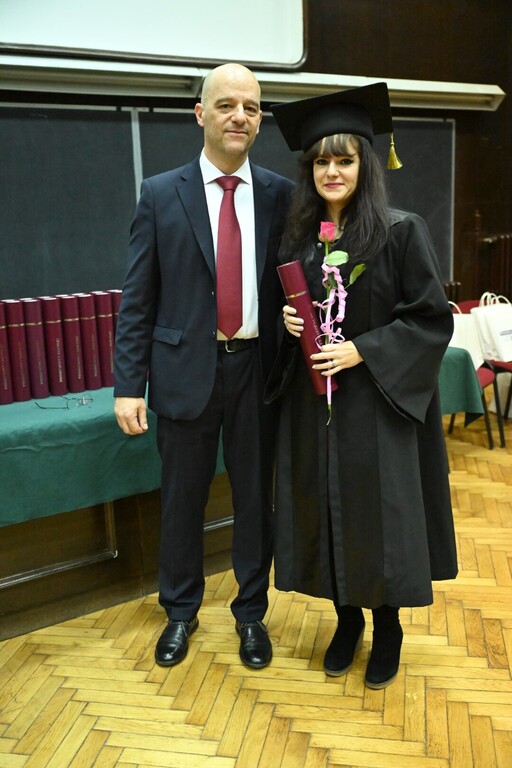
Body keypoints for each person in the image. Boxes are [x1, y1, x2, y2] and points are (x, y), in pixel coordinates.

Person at [266, 82, 458, 689]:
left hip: (375, 405)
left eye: (344, 160)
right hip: (316, 406)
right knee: (324, 511)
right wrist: (288, 322)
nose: (332, 171)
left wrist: (362, 350)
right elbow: (294, 317)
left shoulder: (401, 232)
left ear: (365, 165)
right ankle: (345, 620)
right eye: (321, 161)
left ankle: (388, 627)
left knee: (379, 518)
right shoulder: (300, 240)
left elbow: (431, 319)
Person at [113, 62, 293, 669]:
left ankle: (251, 614)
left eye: (251, 107)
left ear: (260, 120)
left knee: (255, 502)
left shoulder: (281, 194)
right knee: (181, 502)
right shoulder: (160, 193)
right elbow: (137, 299)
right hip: (183, 371)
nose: (239, 116)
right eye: (226, 105)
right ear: (200, 114)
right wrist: (128, 385)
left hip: (257, 373)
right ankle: (180, 611)